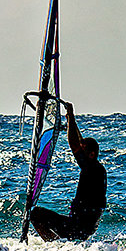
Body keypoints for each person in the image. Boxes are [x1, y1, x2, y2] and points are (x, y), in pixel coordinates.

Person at [29, 101, 106, 241]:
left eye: (83, 150)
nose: (79, 153)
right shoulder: (96, 168)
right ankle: (57, 245)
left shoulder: (91, 168)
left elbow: (74, 144)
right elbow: (79, 141)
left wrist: (70, 116)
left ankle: (53, 246)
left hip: (78, 227)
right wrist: (71, 117)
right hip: (83, 228)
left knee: (35, 214)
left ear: (92, 154)